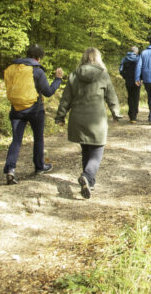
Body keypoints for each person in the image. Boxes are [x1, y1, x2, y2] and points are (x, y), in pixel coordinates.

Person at [55, 48, 122, 199]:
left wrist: (60, 116)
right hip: (96, 120)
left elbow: (66, 99)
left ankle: (89, 183)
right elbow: (112, 97)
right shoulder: (103, 76)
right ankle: (87, 175)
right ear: (98, 58)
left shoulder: (74, 75)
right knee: (97, 150)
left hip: (77, 119)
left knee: (86, 149)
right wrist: (116, 114)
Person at [3, 44, 63, 185]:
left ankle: (10, 169)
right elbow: (48, 92)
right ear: (39, 57)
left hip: (16, 108)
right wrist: (58, 79)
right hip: (35, 110)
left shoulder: (13, 68)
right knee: (38, 138)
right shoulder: (37, 71)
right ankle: (39, 166)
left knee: (16, 140)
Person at [119, 46, 140, 123]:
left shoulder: (125, 59)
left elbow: (121, 70)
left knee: (130, 97)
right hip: (137, 81)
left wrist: (125, 77)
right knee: (136, 97)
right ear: (136, 52)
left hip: (128, 81)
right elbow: (141, 69)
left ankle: (131, 115)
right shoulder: (138, 59)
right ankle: (134, 115)